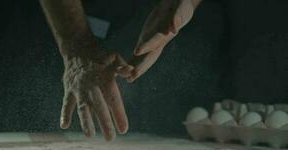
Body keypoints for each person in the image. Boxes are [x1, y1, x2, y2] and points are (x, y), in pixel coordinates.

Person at [40, 0, 202, 140]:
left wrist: (183, 6)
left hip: (144, 20)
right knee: (59, 126)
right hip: (63, 20)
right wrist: (76, 46)